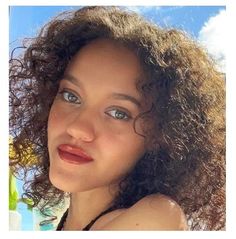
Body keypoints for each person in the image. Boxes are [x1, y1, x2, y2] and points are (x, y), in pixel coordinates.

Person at [9, 6, 225, 230]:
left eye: (118, 113)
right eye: (70, 96)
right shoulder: (65, 223)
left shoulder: (157, 217)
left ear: (161, 135)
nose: (77, 128)